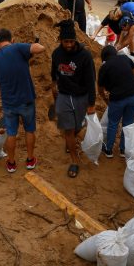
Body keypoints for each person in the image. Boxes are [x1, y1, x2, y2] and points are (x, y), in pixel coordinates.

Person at [0, 28, 46, 173]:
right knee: (29, 130)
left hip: (9, 103)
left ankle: (11, 162)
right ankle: (30, 160)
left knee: (12, 133)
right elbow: (40, 48)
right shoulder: (18, 48)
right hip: (26, 99)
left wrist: (6, 86)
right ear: (12, 39)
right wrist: (31, 48)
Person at [50, 21, 95, 177]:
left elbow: (91, 80)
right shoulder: (56, 54)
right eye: (65, 41)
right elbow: (53, 72)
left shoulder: (85, 56)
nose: (68, 45)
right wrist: (53, 85)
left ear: (75, 40)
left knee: (78, 126)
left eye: (71, 41)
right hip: (63, 95)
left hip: (81, 96)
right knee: (68, 129)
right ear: (61, 41)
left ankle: (71, 141)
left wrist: (91, 103)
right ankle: (74, 161)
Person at [98, 46, 134, 159]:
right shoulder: (125, 58)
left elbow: (100, 88)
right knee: (128, 123)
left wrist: (105, 99)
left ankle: (109, 150)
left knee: (113, 123)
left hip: (118, 98)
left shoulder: (105, 67)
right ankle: (123, 150)